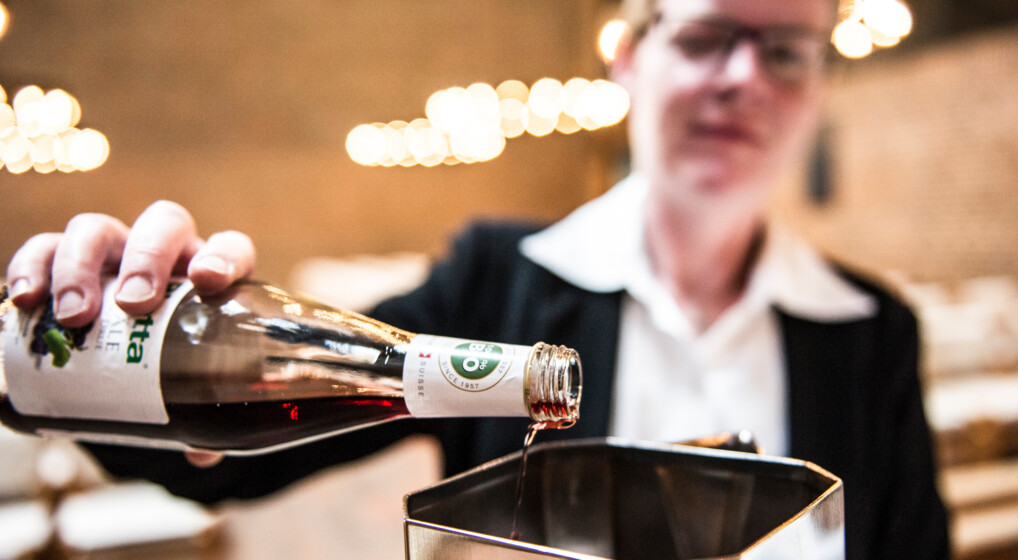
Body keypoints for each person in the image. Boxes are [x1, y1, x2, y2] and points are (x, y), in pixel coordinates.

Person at [5, 0, 949, 557]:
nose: (743, 77)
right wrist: (108, 338)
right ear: (627, 60)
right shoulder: (500, 280)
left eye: (786, 50)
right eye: (705, 37)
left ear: (821, 84)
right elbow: (229, 469)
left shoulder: (873, 331)